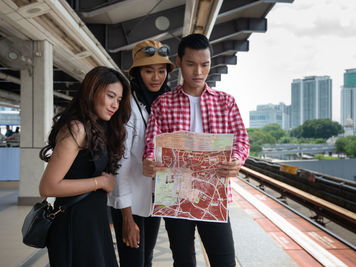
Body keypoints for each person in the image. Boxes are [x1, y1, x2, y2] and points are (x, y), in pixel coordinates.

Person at [142, 34, 250, 267]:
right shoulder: (163, 104)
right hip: (174, 197)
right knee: (183, 261)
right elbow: (152, 142)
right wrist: (150, 160)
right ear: (179, 62)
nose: (199, 72)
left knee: (224, 260)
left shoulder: (226, 102)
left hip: (214, 195)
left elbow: (241, 139)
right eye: (191, 64)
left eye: (205, 64)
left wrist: (236, 160)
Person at [38, 66, 131, 267]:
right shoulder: (77, 128)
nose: (115, 105)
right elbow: (48, 187)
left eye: (119, 100)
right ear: (92, 90)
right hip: (74, 224)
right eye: (110, 96)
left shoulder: (98, 128)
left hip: (93, 222)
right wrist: (100, 182)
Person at [108, 40, 175, 267]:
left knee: (146, 258)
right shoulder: (127, 109)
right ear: (137, 73)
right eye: (149, 71)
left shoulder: (163, 104)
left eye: (161, 70)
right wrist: (127, 218)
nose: (156, 78)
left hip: (153, 199)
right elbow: (120, 165)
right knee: (133, 262)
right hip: (130, 203)